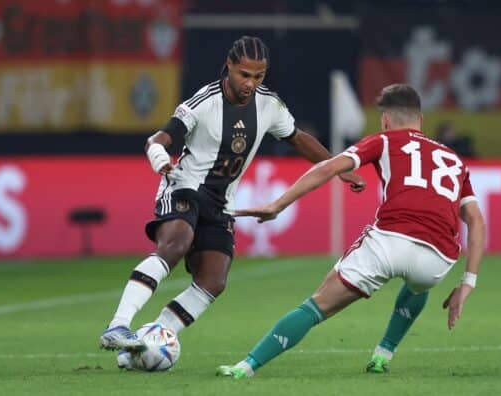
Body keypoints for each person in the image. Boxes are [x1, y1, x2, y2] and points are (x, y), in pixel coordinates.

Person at [98, 36, 366, 361]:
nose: (251, 83)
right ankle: (118, 325)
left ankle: (150, 341)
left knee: (212, 281)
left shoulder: (269, 105)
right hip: (185, 187)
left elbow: (297, 138)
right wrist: (158, 154)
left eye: (259, 76)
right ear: (229, 66)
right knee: (175, 245)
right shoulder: (204, 101)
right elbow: (159, 137)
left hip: (222, 202)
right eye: (244, 74)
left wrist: (337, 166)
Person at [216, 84, 486, 379]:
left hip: (389, 244)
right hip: (436, 261)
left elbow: (328, 168)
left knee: (315, 307)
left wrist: (278, 204)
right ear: (420, 120)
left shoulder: (384, 140)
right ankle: (384, 353)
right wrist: (468, 283)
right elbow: (476, 221)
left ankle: (246, 367)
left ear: (385, 120)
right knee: (417, 284)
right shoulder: (454, 159)